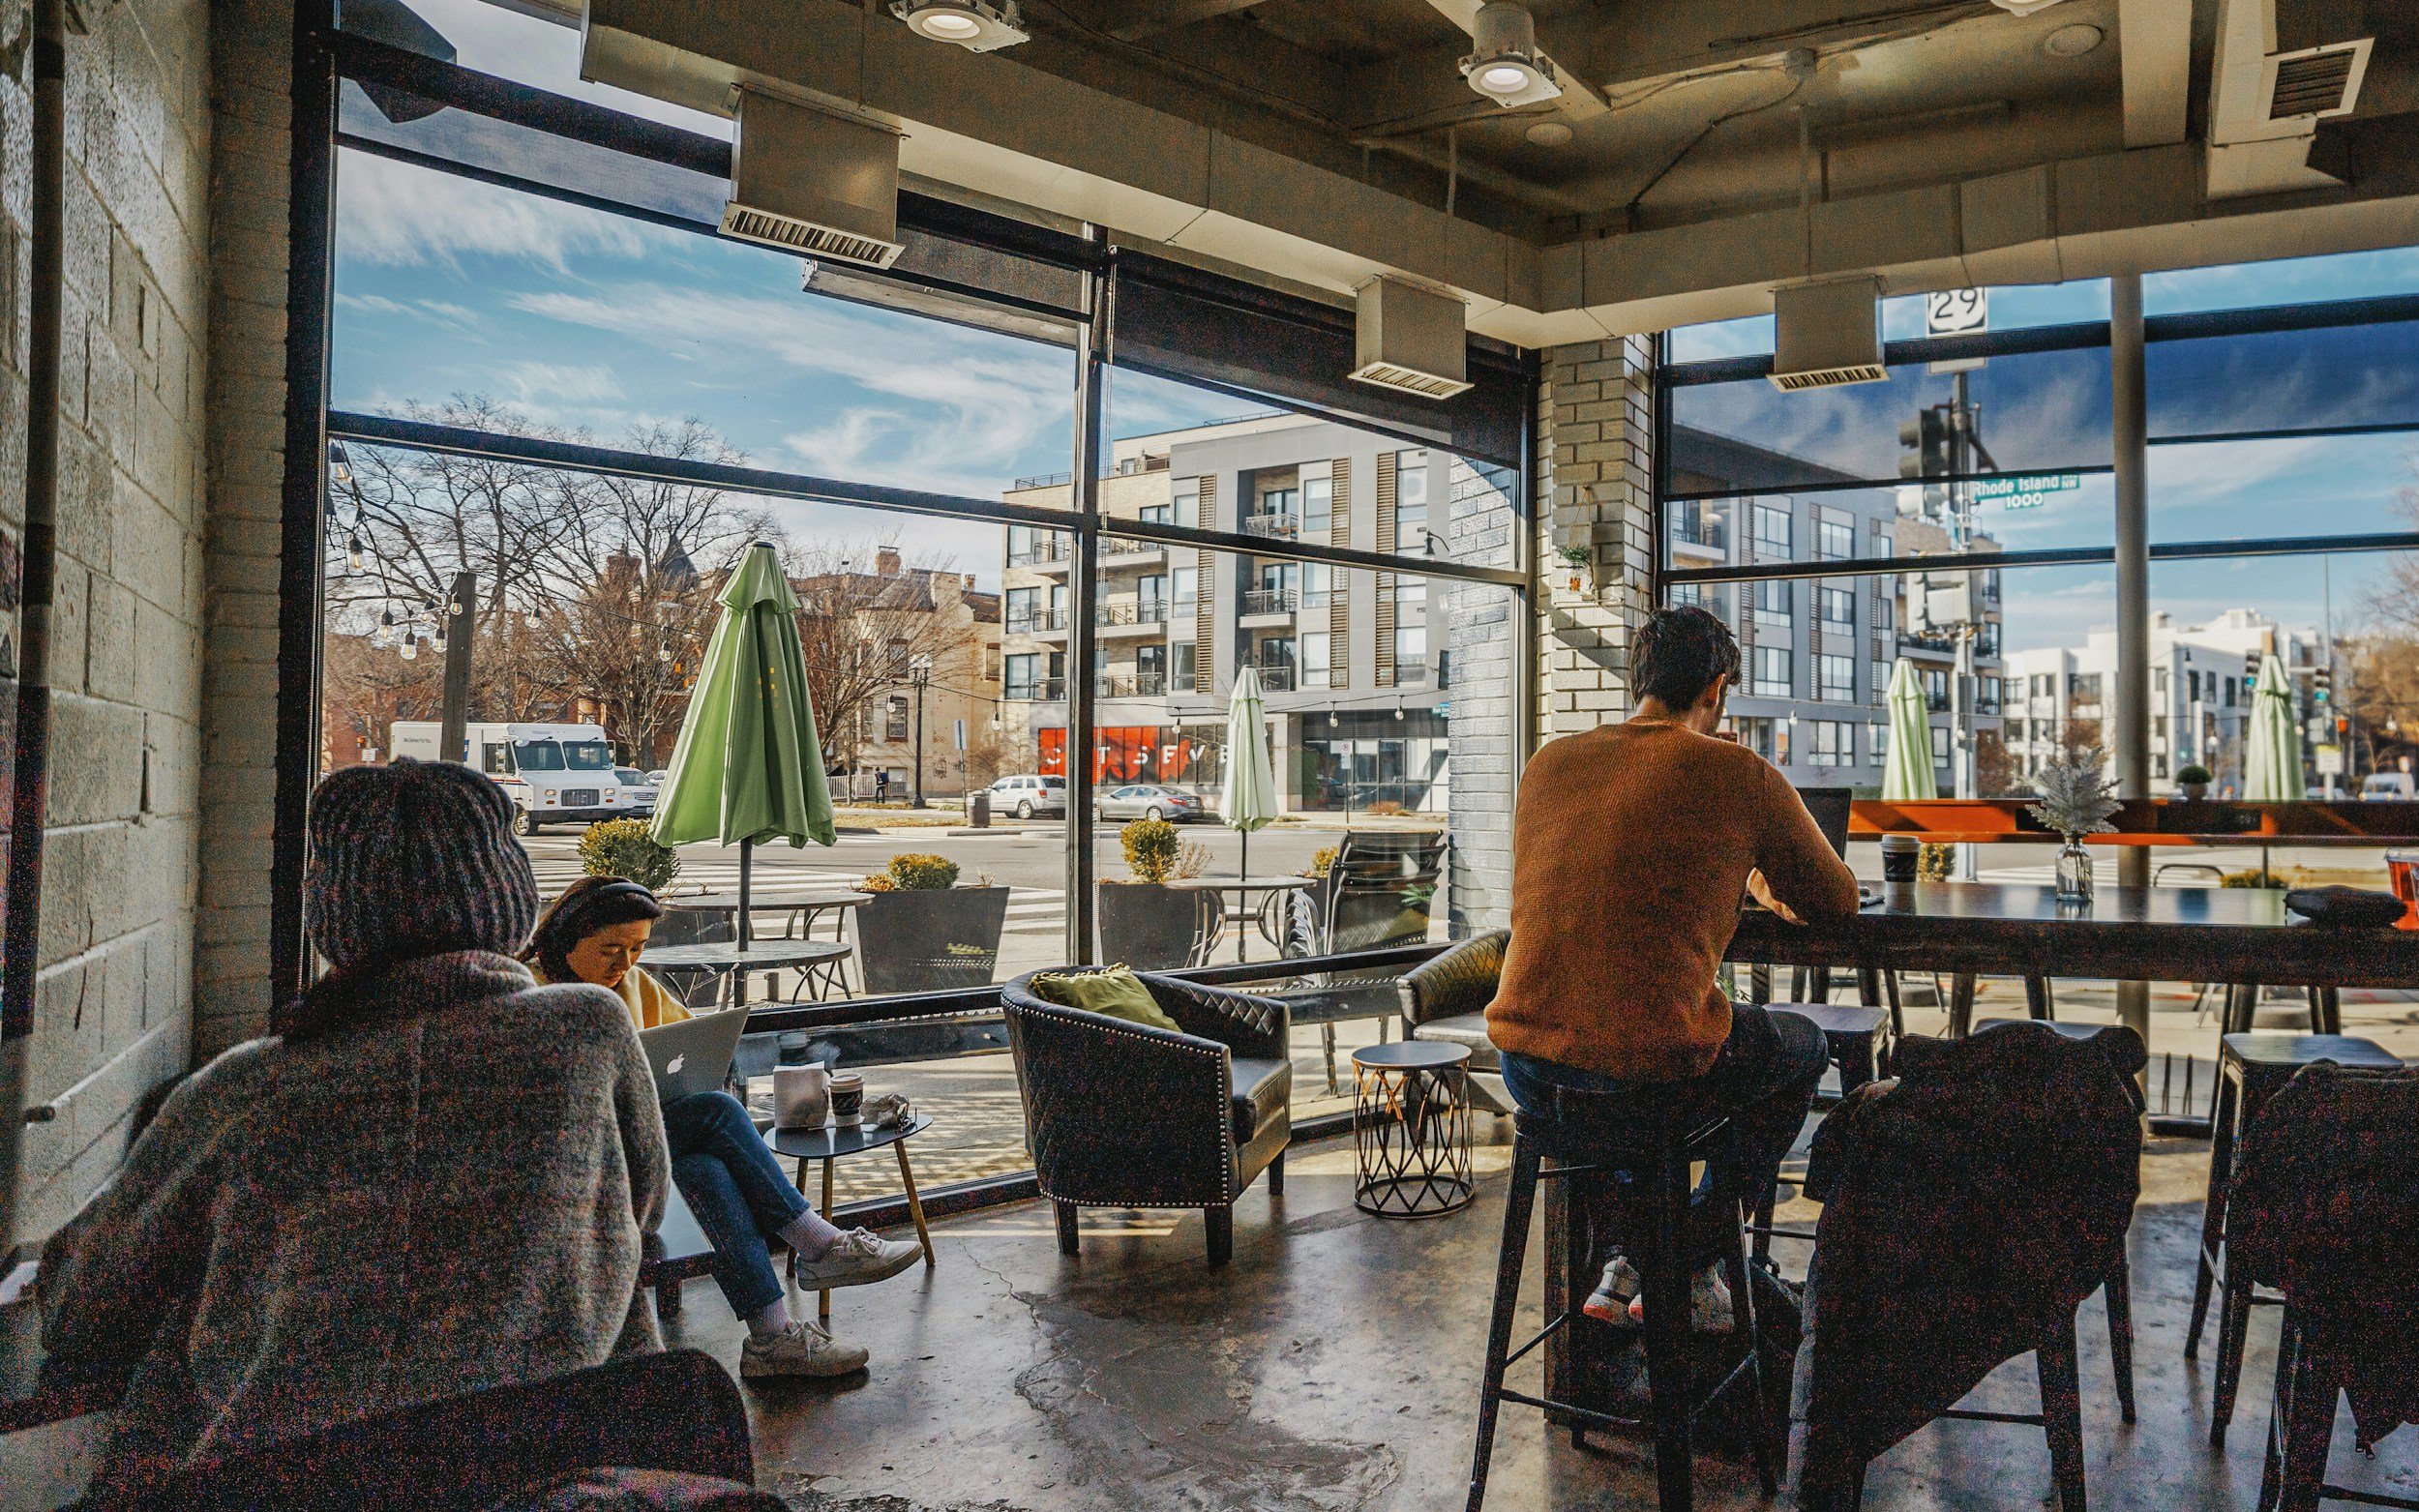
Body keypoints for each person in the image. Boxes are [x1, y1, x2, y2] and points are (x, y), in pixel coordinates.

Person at [38, 760, 669, 1496]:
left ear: (329, 908)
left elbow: (85, 1304)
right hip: (546, 1473)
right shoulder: (587, 1034)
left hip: (283, 1482)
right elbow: (643, 1209)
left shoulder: (246, 1087)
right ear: (508, 896)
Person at [1484, 605, 1861, 1329]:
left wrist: (1738, 871)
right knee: (1803, 1047)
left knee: (1624, 1080)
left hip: (1526, 1068)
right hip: (1643, 1072)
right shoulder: (1737, 772)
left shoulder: (1548, 762)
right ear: (1716, 689)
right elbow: (1836, 899)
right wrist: (1762, 882)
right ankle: (1688, 1259)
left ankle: (1626, 1255)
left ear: (1639, 678)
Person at [524, 878, 919, 1379]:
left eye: (638, 949)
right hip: (584, 1158)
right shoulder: (529, 993)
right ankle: (819, 1246)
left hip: (648, 1147)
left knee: (707, 1168)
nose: (624, 964)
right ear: (564, 938)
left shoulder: (633, 984)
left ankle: (771, 1339)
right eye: (610, 950)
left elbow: (691, 1044)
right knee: (715, 1111)